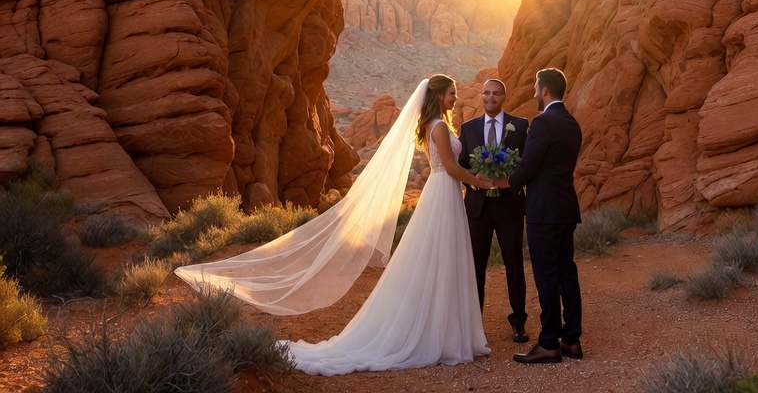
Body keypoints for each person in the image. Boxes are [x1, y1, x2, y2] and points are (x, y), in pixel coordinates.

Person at [176, 75, 493, 375]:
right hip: (442, 193)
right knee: (441, 258)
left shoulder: (434, 125)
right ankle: (440, 335)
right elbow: (450, 167)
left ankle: (444, 331)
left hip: (443, 194)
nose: (455, 98)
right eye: (451, 93)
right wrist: (480, 182)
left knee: (442, 259)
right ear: (439, 95)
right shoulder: (438, 127)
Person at [502, 67, 583, 364]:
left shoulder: (543, 122)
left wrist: (508, 181)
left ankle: (549, 343)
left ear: (544, 90)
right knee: (566, 273)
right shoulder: (572, 123)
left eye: (537, 89)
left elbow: (529, 164)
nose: (535, 94)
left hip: (543, 212)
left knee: (547, 276)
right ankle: (571, 340)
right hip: (565, 208)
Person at [458, 77, 529, 342]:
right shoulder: (468, 128)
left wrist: (508, 180)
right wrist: (475, 177)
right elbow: (461, 165)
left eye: (496, 93)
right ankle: (475, 326)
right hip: (478, 207)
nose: (490, 98)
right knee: (475, 265)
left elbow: (526, 164)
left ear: (504, 96)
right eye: (486, 93)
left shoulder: (520, 126)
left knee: (514, 264)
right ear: (481, 95)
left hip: (509, 205)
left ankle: (518, 322)